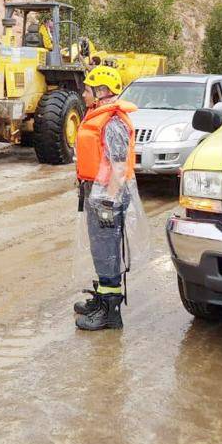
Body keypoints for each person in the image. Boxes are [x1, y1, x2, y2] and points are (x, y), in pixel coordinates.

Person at [73, 65, 142, 331]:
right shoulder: (99, 116)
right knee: (100, 251)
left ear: (101, 92)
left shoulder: (112, 123)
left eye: (88, 89)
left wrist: (108, 203)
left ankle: (110, 312)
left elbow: (119, 166)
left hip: (107, 198)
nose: (84, 93)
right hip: (98, 194)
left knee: (108, 252)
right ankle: (102, 297)